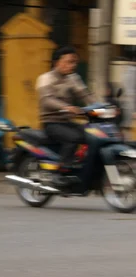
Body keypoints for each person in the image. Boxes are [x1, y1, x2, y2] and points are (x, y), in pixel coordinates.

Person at [36, 46, 96, 188]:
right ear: (57, 62)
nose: (73, 65)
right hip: (51, 122)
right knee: (73, 138)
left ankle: (82, 168)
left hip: (67, 121)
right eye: (69, 62)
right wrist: (65, 107)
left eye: (74, 62)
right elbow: (46, 100)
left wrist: (102, 106)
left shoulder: (73, 78)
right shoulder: (45, 78)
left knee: (93, 136)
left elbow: (85, 95)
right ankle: (59, 172)